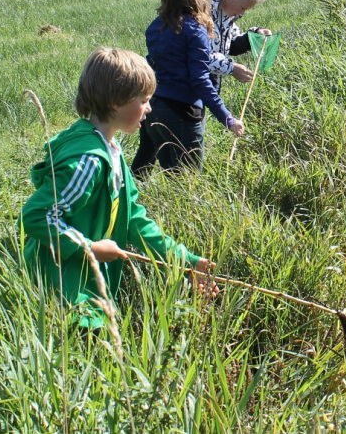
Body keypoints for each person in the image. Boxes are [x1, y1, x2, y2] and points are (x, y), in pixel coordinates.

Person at [20, 47, 215, 328]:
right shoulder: (89, 161)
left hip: (83, 282)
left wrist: (185, 260)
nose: (149, 107)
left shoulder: (110, 150)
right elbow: (38, 217)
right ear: (116, 102)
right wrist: (89, 248)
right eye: (144, 100)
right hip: (62, 289)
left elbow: (135, 219)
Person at [132, 0, 244, 174]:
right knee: (189, 183)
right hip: (183, 113)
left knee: (172, 176)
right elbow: (200, 80)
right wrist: (227, 117)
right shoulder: (195, 29)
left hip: (155, 108)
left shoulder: (156, 26)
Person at [205, 0, 272, 93]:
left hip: (203, 91)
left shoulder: (225, 11)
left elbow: (231, 45)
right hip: (180, 90)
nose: (242, 14)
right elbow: (198, 55)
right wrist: (231, 68)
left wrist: (254, 36)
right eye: (242, 8)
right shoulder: (201, 9)